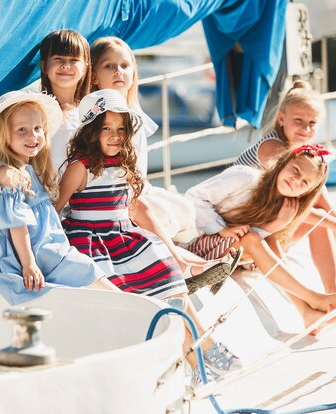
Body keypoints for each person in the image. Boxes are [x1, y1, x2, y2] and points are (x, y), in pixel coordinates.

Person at [56, 89, 240, 382]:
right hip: (92, 242)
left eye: (121, 129)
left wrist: (173, 251)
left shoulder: (125, 165)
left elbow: (136, 207)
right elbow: (56, 208)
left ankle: (199, 356)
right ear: (91, 132)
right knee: (144, 300)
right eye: (106, 128)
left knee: (172, 285)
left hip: (124, 237)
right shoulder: (80, 168)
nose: (115, 136)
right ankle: (204, 351)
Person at [89, 36, 239, 286]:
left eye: (125, 66)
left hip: (134, 189)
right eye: (109, 66)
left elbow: (139, 172)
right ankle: (185, 263)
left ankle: (196, 255)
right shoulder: (95, 117)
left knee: (183, 208)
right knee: (151, 210)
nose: (119, 71)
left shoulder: (134, 116)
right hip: (111, 196)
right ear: (94, 76)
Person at [234, 80, 336, 320]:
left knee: (319, 221)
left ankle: (335, 297)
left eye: (312, 123)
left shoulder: (300, 154)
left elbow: (314, 197)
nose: (306, 129)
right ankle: (313, 297)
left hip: (263, 222)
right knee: (320, 222)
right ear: (282, 118)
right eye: (299, 121)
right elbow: (281, 207)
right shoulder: (272, 148)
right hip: (242, 230)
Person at [0, 90, 118, 305]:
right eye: (22, 130)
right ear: (4, 135)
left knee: (88, 266)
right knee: (87, 269)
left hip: (47, 249)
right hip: (30, 255)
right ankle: (131, 305)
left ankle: (127, 303)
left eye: (38, 128)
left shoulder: (27, 170)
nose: (33, 136)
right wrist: (29, 264)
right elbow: (17, 225)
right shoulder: (7, 175)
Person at [185, 145, 336, 332]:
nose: (296, 180)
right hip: (197, 246)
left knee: (269, 239)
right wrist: (221, 229)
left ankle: (305, 312)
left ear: (304, 193)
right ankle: (314, 298)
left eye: (304, 182)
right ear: (283, 162)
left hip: (234, 254)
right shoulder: (246, 178)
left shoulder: (282, 202)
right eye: (295, 170)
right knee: (254, 238)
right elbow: (193, 196)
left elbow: (305, 213)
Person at [39, 29, 92, 174]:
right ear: (44, 66)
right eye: (58, 58)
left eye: (74, 60)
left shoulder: (93, 111)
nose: (66, 65)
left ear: (85, 68)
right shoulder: (35, 110)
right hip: (45, 191)